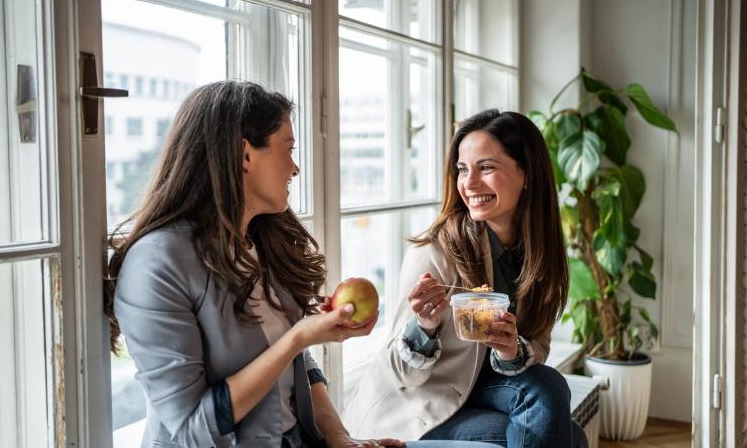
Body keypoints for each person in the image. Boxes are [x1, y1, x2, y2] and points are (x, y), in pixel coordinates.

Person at [103, 80, 500, 448]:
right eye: (288, 149)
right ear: (244, 155)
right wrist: (300, 336)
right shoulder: (157, 264)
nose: (295, 168)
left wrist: (342, 439)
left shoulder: (261, 242)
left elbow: (300, 367)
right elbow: (192, 428)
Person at [343, 109, 588, 448]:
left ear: (527, 173)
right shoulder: (435, 253)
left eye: (486, 167)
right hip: (419, 407)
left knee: (550, 393)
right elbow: (401, 374)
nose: (468, 183)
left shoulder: (539, 252)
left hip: (482, 390)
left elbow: (539, 345)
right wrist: (424, 328)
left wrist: (511, 351)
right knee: (568, 432)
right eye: (462, 169)